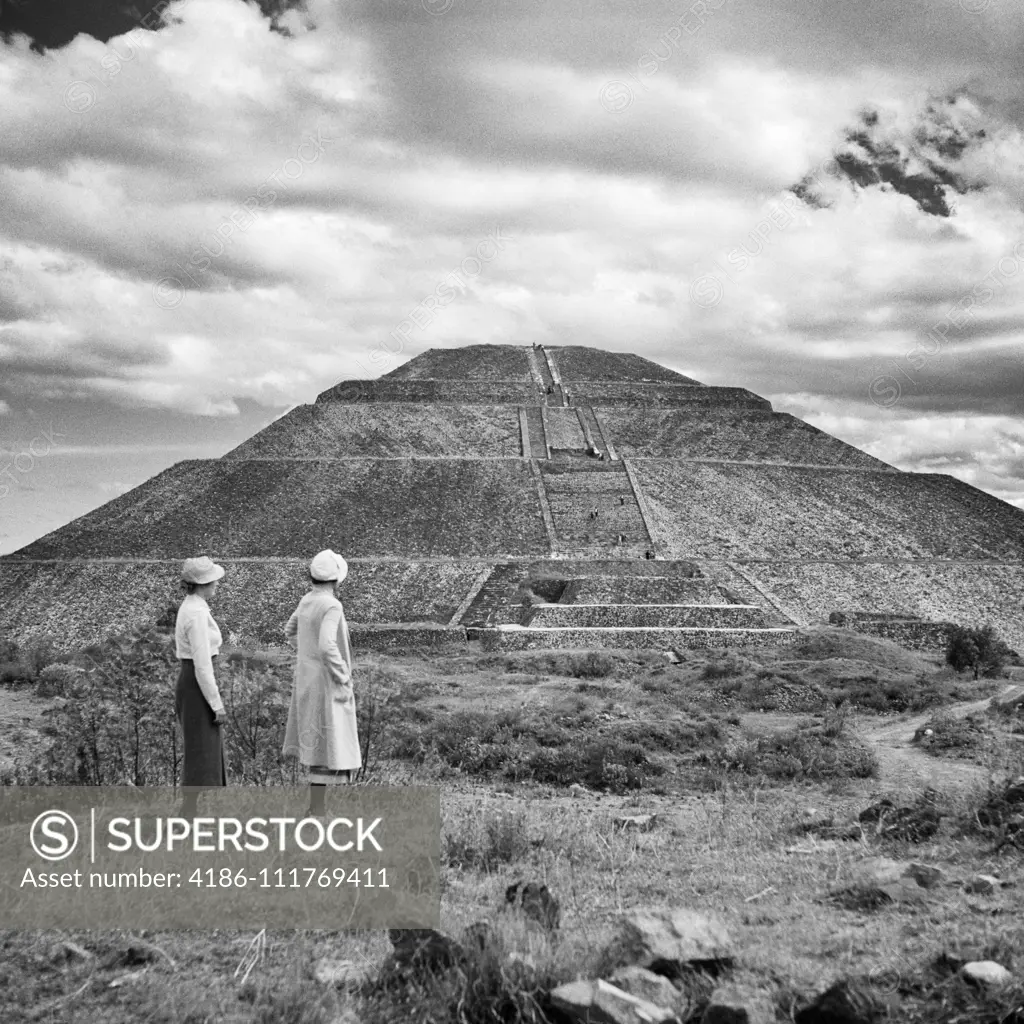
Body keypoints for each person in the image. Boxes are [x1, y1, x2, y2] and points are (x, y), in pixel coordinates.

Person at [282, 549, 361, 817]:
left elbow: (290, 631)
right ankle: (318, 809)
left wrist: (306, 657)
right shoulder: (331, 605)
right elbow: (328, 645)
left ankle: (317, 807)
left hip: (307, 679)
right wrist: (343, 675)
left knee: (316, 741)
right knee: (330, 739)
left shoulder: (307, 600)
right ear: (337, 578)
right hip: (326, 681)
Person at [174, 556, 228, 818]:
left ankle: (191, 813)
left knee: (199, 746)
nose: (217, 583)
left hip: (192, 680)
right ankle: (189, 814)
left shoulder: (194, 607)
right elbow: (203, 664)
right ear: (203, 583)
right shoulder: (196, 613)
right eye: (213, 580)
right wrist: (216, 703)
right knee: (199, 748)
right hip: (196, 683)